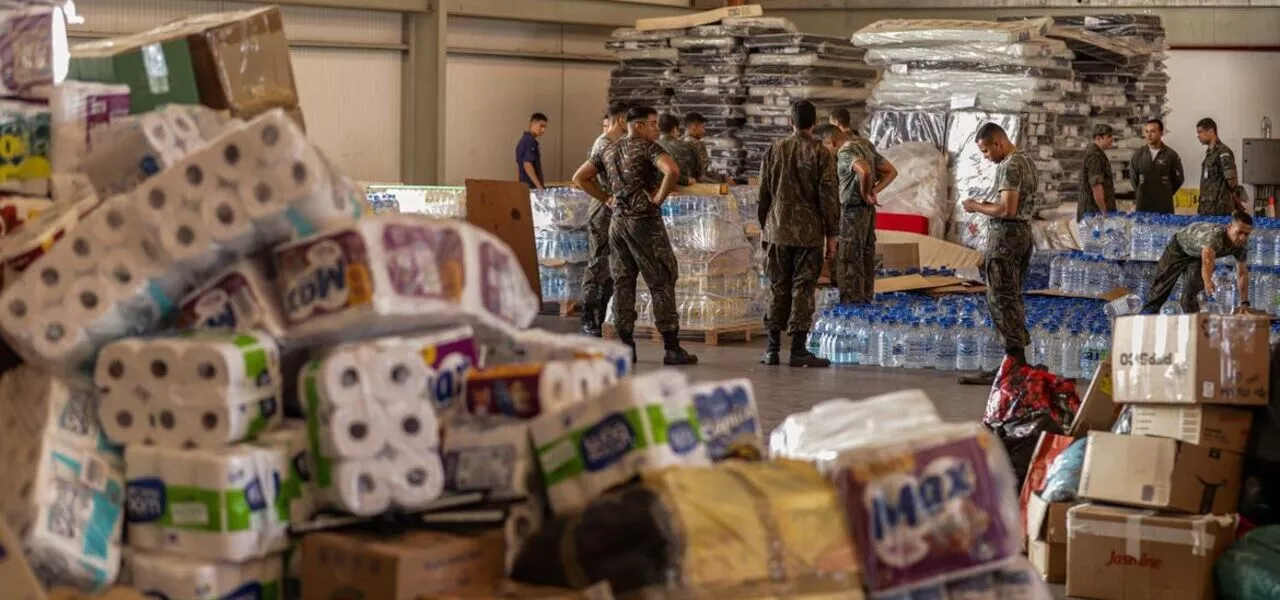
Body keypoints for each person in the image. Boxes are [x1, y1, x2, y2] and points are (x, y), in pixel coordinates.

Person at [571, 105, 698, 366]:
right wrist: (657, 200)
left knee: (622, 282)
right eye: (652, 124)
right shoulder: (648, 148)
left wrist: (607, 198)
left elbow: (580, 178)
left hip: (617, 223)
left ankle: (626, 346)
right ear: (638, 126)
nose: (656, 128)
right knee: (661, 279)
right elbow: (671, 170)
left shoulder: (608, 149)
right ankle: (672, 347)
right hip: (644, 223)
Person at [757, 100, 839, 368]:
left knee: (777, 287)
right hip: (809, 232)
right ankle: (798, 350)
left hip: (777, 229)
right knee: (802, 289)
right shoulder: (821, 153)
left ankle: (771, 350)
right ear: (814, 123)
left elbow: (763, 193)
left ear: (791, 122)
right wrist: (832, 234)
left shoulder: (774, 149)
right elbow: (828, 197)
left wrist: (765, 227)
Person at [960, 122, 1037, 385]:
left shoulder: (1011, 165)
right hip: (1021, 236)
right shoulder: (1026, 160)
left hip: (1006, 237)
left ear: (998, 143)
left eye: (985, 151)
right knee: (1011, 296)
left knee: (1001, 299)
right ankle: (1017, 363)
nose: (986, 156)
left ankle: (1013, 364)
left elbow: (1007, 210)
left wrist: (976, 206)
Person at [814, 123, 898, 304]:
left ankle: (851, 307)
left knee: (849, 261)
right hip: (866, 213)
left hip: (849, 214)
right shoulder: (864, 145)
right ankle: (865, 302)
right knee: (865, 258)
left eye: (824, 148)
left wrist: (865, 191)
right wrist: (873, 191)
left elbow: (864, 170)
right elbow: (891, 171)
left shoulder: (845, 152)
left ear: (831, 142)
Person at [579, 102, 629, 337]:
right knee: (598, 263)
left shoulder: (618, 144)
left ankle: (602, 314)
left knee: (612, 266)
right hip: (602, 212)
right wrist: (606, 198)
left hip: (615, 211)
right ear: (621, 121)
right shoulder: (604, 144)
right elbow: (584, 179)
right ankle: (588, 316)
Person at [1140, 212, 1253, 314]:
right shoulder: (1214, 237)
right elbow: (1208, 260)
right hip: (1179, 247)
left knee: (1191, 296)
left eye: (1246, 234)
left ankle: (1194, 328)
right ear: (1229, 227)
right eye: (1239, 232)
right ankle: (1144, 321)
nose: (1242, 237)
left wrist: (1244, 302)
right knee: (1160, 290)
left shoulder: (1242, 245)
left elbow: (1242, 273)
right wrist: (1208, 281)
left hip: (1197, 256)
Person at [1129, 118, 1185, 214]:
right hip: (1143, 206)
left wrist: (1165, 192)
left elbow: (1179, 179)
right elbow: (1134, 180)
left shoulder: (1170, 155)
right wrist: (1142, 193)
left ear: (1161, 133)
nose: (1149, 135)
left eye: (1153, 131)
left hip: (1164, 206)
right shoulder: (1138, 155)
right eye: (1147, 132)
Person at [1196, 117, 1243, 216]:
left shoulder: (1223, 152)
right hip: (1207, 208)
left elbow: (1232, 181)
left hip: (1218, 209)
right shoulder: (1210, 153)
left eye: (1200, 132)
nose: (1198, 136)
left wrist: (1232, 197)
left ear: (1211, 131)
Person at [1077, 124, 1116, 220]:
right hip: (1094, 214)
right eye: (1109, 137)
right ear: (1098, 138)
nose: (1112, 139)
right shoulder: (1095, 157)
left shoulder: (1098, 154)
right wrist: (1104, 212)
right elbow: (1097, 188)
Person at [656, 114, 700, 186]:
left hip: (658, 190)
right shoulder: (690, 146)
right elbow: (699, 174)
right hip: (688, 189)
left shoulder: (650, 147)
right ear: (674, 129)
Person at [516, 113, 548, 190]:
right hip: (531, 188)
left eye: (545, 127)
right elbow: (527, 164)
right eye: (541, 126)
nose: (543, 130)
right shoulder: (530, 141)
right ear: (533, 123)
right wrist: (539, 187)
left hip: (523, 187)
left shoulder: (523, 141)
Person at [682, 112, 711, 182]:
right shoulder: (697, 144)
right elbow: (702, 173)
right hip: (695, 185)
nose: (704, 131)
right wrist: (721, 178)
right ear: (694, 127)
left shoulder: (677, 142)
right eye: (703, 127)